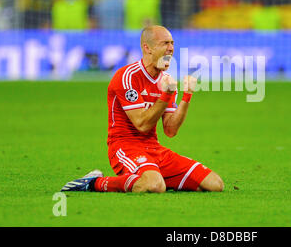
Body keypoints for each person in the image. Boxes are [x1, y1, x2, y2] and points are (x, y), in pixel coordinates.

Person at [61, 25, 224, 193]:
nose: (171, 49)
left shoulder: (167, 81)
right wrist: (165, 95)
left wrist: (187, 96)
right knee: (154, 186)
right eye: (165, 43)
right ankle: (94, 183)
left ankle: (150, 176)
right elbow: (142, 124)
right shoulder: (127, 77)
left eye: (172, 44)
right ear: (148, 48)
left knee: (214, 184)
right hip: (124, 146)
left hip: (153, 148)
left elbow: (170, 130)